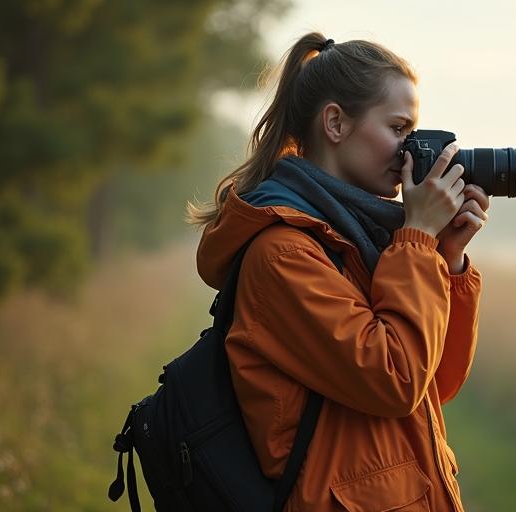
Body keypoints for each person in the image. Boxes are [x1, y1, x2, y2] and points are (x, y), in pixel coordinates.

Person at [186, 32, 488, 511]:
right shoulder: (283, 254)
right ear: (335, 123)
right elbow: (396, 380)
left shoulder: (360, 242)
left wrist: (445, 260)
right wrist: (418, 240)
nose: (411, 151)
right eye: (398, 128)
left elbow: (435, 385)